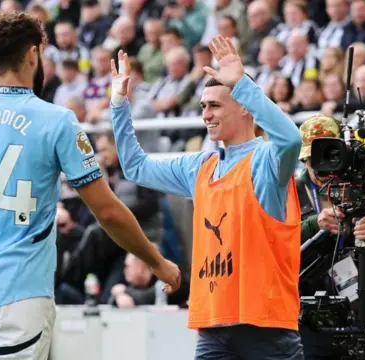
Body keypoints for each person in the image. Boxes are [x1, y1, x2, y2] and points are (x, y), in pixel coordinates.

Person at [0, 11, 181, 359]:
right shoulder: (57, 121)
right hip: (20, 293)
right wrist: (156, 261)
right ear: (33, 53)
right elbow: (106, 210)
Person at [110, 35, 304, 359]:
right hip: (213, 327)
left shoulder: (266, 160)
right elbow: (134, 167)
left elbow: (291, 139)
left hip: (266, 329)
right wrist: (119, 104)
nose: (206, 114)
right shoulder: (201, 166)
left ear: (244, 108)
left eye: (214, 105)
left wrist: (242, 83)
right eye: (203, 106)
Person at [295, 115, 365, 359]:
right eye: (310, 159)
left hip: (362, 320)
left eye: (330, 156)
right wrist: (313, 225)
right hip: (303, 324)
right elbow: (267, 251)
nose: (320, 167)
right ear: (303, 160)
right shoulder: (287, 192)